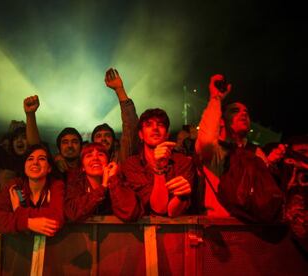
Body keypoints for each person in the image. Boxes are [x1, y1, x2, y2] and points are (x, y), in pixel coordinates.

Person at [194, 74, 282, 217]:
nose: (243, 114)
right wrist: (216, 98)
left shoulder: (256, 152)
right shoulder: (216, 152)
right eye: (235, 111)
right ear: (221, 121)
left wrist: (268, 165)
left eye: (246, 112)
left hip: (257, 229)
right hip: (221, 229)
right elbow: (207, 140)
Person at [121, 109, 194, 217]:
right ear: (141, 135)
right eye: (149, 125)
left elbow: (172, 211)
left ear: (167, 134)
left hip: (178, 231)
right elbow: (158, 208)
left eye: (160, 125)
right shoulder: (131, 164)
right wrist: (159, 168)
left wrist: (181, 196)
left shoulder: (182, 162)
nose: (155, 128)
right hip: (141, 231)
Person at [0, 144, 64, 236]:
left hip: (50, 246)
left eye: (41, 159)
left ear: (49, 168)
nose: (35, 162)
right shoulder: (16, 187)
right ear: (24, 167)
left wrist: (19, 210)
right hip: (19, 247)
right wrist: (27, 223)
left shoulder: (55, 185)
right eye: (30, 159)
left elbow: (56, 218)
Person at [64, 142, 142, 222]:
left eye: (100, 154)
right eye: (89, 155)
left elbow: (130, 213)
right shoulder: (75, 184)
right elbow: (72, 213)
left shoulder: (118, 181)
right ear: (83, 167)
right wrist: (103, 187)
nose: (95, 158)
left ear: (108, 163)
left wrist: (113, 179)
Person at [91, 68, 139, 163]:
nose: (103, 139)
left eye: (107, 135)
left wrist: (119, 89)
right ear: (92, 141)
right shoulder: (86, 161)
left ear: (114, 140)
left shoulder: (121, 159)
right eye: (98, 136)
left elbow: (131, 128)